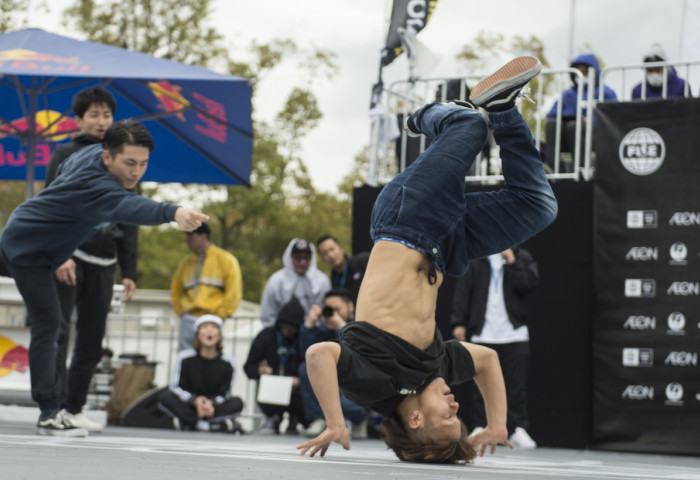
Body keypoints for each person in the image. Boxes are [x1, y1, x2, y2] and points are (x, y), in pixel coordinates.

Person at [295, 56, 557, 464]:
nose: (456, 406)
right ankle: (503, 108)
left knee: (468, 125)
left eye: (448, 417)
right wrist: (498, 423)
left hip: (406, 221)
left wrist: (335, 421)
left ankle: (421, 116)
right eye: (461, 415)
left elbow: (319, 355)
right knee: (538, 207)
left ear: (415, 419)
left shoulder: (373, 386)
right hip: (448, 241)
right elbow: (487, 361)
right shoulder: (436, 371)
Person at [0, 119, 208, 436]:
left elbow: (73, 164)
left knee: (50, 323)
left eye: (143, 164)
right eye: (129, 163)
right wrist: (174, 211)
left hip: (29, 242)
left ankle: (54, 409)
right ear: (108, 157)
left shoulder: (91, 155)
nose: (136, 173)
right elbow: (135, 207)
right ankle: (49, 412)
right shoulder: (98, 187)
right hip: (28, 251)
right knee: (50, 323)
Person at [43, 86, 136, 433]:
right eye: (94, 115)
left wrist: (130, 271)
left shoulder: (124, 156)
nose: (101, 121)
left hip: (104, 261)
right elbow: (49, 208)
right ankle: (52, 407)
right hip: (69, 256)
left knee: (92, 339)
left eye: (107, 114)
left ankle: (75, 406)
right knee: (58, 332)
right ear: (79, 119)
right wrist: (59, 254)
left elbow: (131, 219)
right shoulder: (64, 154)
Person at [450, 248, 539, 449]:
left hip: (514, 333)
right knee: (480, 386)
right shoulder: (477, 258)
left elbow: (527, 285)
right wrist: (458, 323)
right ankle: (481, 425)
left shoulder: (522, 257)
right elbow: (463, 291)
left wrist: (513, 262)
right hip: (483, 333)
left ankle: (517, 429)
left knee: (516, 386)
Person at [297, 288, 368, 439]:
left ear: (350, 307)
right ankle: (319, 419)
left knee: (348, 406)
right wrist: (309, 325)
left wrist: (342, 327)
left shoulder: (362, 323)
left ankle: (359, 419)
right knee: (305, 368)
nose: (332, 314)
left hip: (357, 378)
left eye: (337, 309)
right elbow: (308, 355)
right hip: (334, 380)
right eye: (329, 309)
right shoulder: (324, 328)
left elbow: (358, 353)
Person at [158, 314, 243, 432]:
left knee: (237, 403)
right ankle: (210, 425)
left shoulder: (228, 362)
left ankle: (190, 423)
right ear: (197, 335)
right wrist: (195, 401)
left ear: (219, 335)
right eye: (205, 327)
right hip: (189, 404)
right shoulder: (184, 357)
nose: (209, 330)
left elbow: (225, 394)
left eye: (214, 327)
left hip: (212, 407)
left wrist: (209, 403)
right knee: (164, 396)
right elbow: (175, 387)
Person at [170, 222, 243, 351]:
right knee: (186, 359)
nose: (187, 240)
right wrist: (181, 312)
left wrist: (218, 317)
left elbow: (233, 293)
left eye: (190, 235)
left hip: (213, 318)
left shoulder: (226, 260)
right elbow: (176, 291)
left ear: (203, 236)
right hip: (188, 319)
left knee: (210, 358)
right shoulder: (185, 264)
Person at [545, 53, 618, 172]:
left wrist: (591, 122)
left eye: (585, 71)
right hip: (565, 137)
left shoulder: (606, 93)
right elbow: (551, 115)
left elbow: (613, 116)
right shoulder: (567, 95)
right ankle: (551, 168)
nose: (581, 75)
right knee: (553, 124)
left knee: (573, 126)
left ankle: (581, 168)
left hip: (595, 136)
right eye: (578, 71)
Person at [244, 296, 306, 434]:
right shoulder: (266, 336)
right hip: (271, 392)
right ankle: (272, 418)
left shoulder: (302, 339)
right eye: (284, 328)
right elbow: (248, 367)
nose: (287, 332)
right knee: (268, 390)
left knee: (305, 388)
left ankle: (296, 419)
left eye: (291, 329)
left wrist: (300, 379)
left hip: (295, 392)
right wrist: (261, 370)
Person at [259, 238, 330, 328]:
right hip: (283, 333)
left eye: (306, 258)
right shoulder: (276, 280)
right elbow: (268, 314)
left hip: (313, 333)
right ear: (290, 258)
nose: (302, 262)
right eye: (298, 258)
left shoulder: (322, 281)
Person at [316, 235, 369, 301]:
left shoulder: (361, 261)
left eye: (332, 249)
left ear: (341, 248)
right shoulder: (333, 278)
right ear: (322, 259)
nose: (330, 255)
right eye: (325, 253)